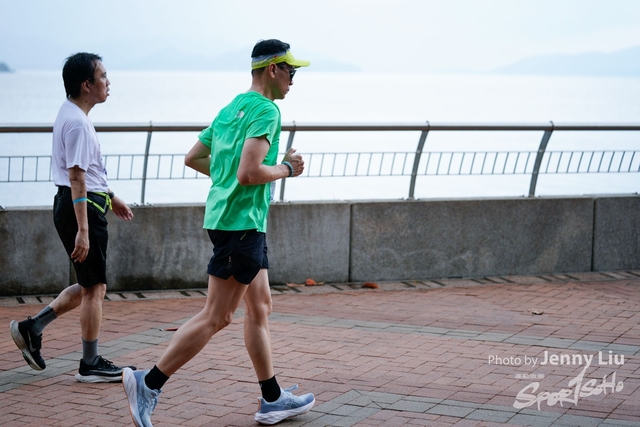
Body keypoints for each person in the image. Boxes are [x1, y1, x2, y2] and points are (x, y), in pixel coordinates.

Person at [122, 39, 314, 426]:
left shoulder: (231, 108)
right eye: (291, 71)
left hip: (233, 221)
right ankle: (149, 383)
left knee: (260, 307)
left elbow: (193, 157)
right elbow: (249, 173)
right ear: (273, 69)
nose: (294, 79)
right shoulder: (267, 111)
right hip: (240, 225)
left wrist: (227, 178)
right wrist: (287, 169)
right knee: (217, 315)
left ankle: (272, 399)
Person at [9, 52, 136, 383]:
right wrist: (83, 229)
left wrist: (111, 197)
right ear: (86, 85)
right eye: (103, 76)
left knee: (88, 283)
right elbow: (76, 176)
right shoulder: (78, 122)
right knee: (95, 288)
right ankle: (90, 363)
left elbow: (86, 173)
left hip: (80, 203)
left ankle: (32, 327)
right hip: (82, 208)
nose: (108, 82)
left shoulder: (71, 113)